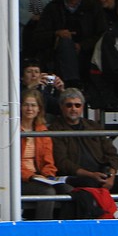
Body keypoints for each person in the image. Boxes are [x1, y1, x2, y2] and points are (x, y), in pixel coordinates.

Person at [49, 87, 118, 218]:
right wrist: (91, 175)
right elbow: (62, 163)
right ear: (61, 107)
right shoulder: (54, 129)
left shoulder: (93, 126)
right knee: (91, 186)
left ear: (82, 107)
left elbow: (112, 153)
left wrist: (111, 175)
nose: (73, 109)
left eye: (77, 105)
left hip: (102, 176)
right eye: (69, 105)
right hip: (76, 177)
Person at [19, 89, 72, 220]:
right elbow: (11, 163)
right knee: (47, 192)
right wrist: (31, 176)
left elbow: (48, 159)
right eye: (26, 104)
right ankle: (43, 230)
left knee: (68, 189)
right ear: (19, 107)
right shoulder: (13, 129)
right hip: (21, 178)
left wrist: (48, 175)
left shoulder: (42, 130)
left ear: (39, 109)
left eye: (33, 105)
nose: (29, 108)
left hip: (40, 177)